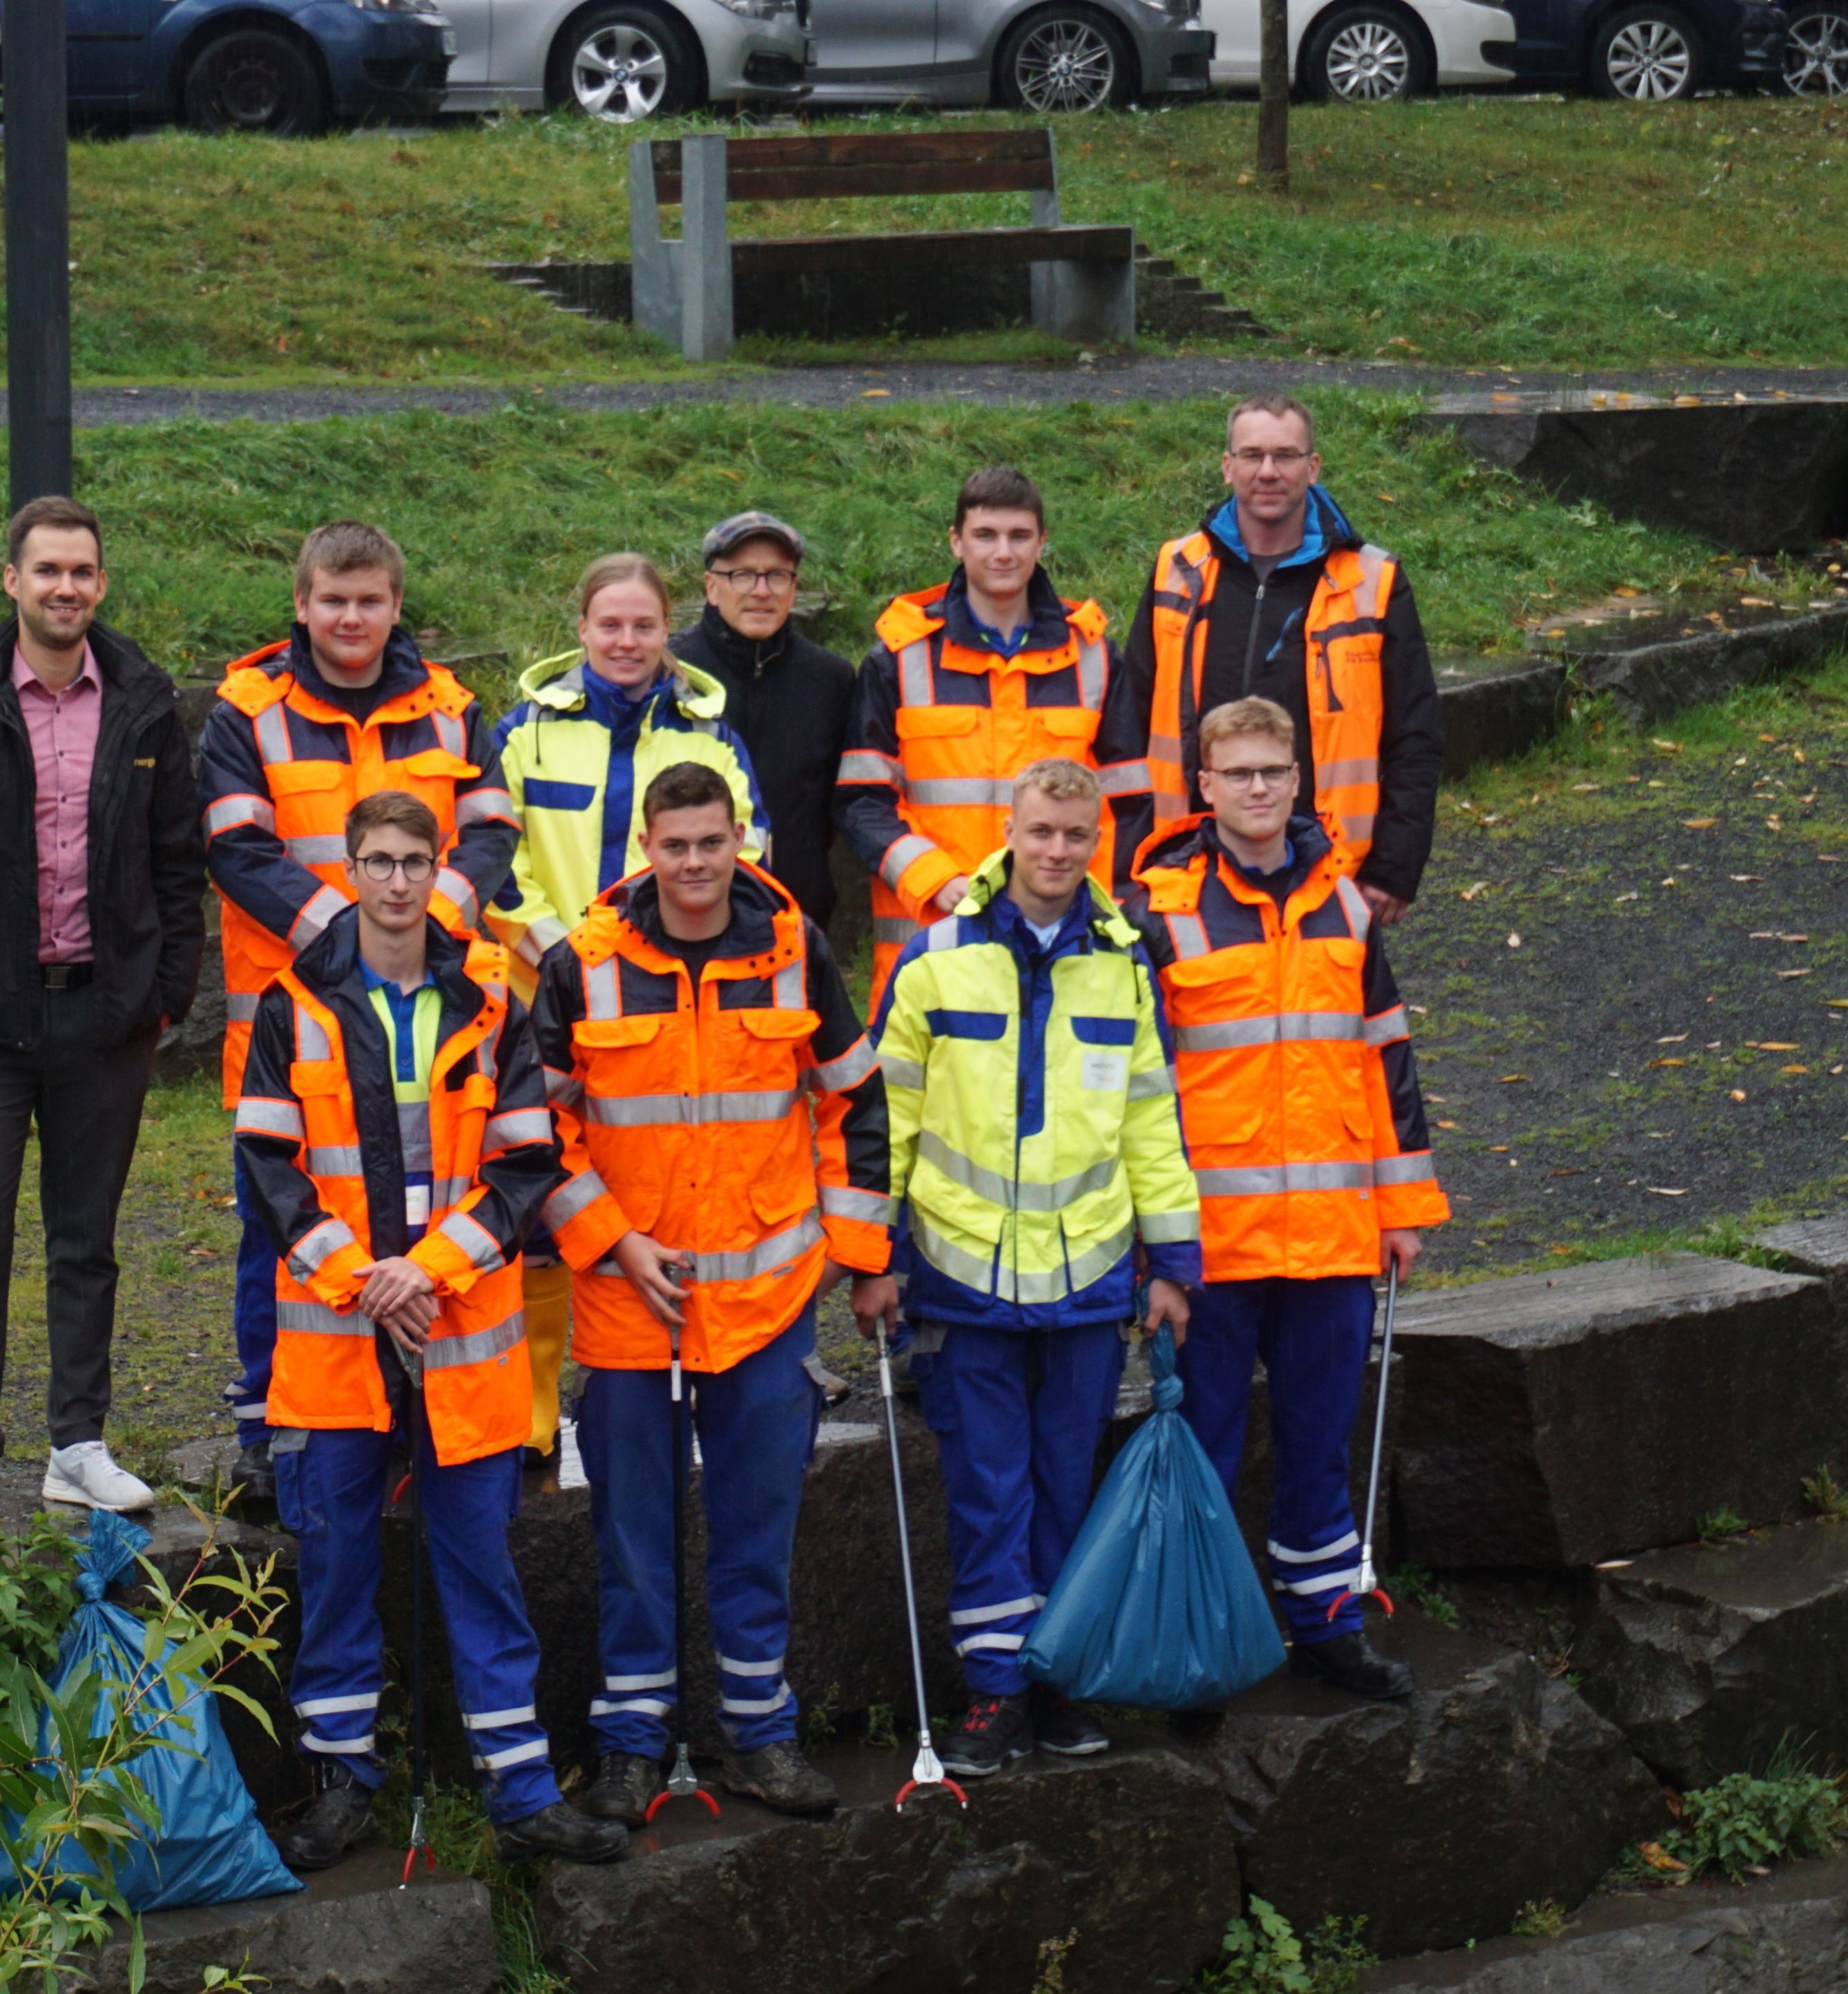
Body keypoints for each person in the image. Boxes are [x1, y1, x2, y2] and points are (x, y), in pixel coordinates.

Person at [235, 790, 623, 1870]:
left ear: (440, 867)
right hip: (342, 1336)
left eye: (416, 860)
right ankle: (341, 1783)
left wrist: (428, 1269)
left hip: (459, 1334)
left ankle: (523, 1789)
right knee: (339, 1565)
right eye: (379, 861)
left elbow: (524, 1164)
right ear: (350, 868)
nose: (398, 880)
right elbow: (268, 1169)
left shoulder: (495, 998)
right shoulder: (290, 1001)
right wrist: (370, 1280)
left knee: (483, 1567)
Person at [530, 762, 888, 1826]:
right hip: (626, 1306)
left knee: (756, 1532)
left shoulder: (794, 952)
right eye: (674, 844)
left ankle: (757, 1737)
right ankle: (632, 1745)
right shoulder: (581, 966)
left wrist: (856, 1255)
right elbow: (535, 1131)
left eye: (711, 842)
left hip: (768, 1308)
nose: (693, 864)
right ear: (645, 846)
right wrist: (611, 1238)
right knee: (631, 1541)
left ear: (744, 840)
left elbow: (850, 1100)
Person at [865, 759, 1200, 1778]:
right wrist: (873, 1253)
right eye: (1041, 832)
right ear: (1009, 831)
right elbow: (886, 1122)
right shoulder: (934, 960)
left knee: (1068, 1489)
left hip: (1090, 1280)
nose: (1057, 851)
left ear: (1096, 840)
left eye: (1075, 836)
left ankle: (1056, 1678)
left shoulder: (1123, 961)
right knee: (987, 1490)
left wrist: (1172, 1259)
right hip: (963, 1282)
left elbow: (1151, 1117)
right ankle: (996, 1691)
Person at [0, 495, 206, 1513]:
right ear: (10, 579)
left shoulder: (145, 700)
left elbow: (177, 859)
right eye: (47, 570)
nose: (66, 587)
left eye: (83, 571)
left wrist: (165, 992)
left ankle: (79, 1441)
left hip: (105, 1016)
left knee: (87, 1234)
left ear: (100, 583)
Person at [1133, 698, 1446, 1698]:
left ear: (1299, 780)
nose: (1260, 788)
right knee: (1207, 1452)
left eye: (1276, 770)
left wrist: (1402, 1211)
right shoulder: (1163, 909)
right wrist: (1152, 1246)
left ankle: (1325, 1624)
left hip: (1333, 1234)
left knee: (1319, 1444)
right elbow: (1138, 1087)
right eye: (1241, 773)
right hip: (1210, 1245)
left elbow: (1385, 1061)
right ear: (1206, 786)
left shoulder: (1345, 904)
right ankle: (1206, 1646)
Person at [202, 521, 519, 1500]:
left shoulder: (456, 708)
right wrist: (352, 939)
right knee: (284, 1222)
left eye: (370, 599)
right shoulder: (246, 709)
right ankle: (273, 1426)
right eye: (333, 599)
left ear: (395, 604)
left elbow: (491, 833)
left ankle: (420, 1411)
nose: (351, 616)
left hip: (434, 1013)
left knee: (430, 1212)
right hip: (293, 1024)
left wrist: (420, 928)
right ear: (300, 602)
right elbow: (236, 850)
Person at [479, 552, 764, 1469]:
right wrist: (559, 950)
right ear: (583, 628)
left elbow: (745, 854)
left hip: (665, 1001)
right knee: (537, 1205)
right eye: (610, 625)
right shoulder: (525, 730)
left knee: (655, 1193)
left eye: (645, 625)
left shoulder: (712, 736)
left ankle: (660, 1394)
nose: (628, 641)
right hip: (540, 995)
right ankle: (531, 1413)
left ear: (667, 630)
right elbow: (495, 853)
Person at [1104, 395, 1443, 925]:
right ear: (1227, 466)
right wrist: (1127, 861)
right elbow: (1129, 722)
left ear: (1312, 468)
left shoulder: (1372, 583)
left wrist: (1393, 869)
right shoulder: (1177, 570)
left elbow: (1416, 736)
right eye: (1252, 455)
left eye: (1285, 456)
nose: (1268, 471)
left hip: (1329, 867)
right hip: (1187, 861)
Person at [838, 466, 1140, 976]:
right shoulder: (899, 658)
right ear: (956, 542)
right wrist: (938, 881)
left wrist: (1085, 898)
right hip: (936, 939)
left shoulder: (1094, 656)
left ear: (1042, 543)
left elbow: (1131, 803)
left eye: (1019, 536)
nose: (1004, 552)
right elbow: (862, 801)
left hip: (1065, 936)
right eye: (986, 535)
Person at [675, 512, 856, 942]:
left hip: (795, 913)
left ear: (794, 588)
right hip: (683, 910)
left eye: (776, 575)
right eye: (742, 575)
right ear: (711, 587)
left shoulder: (831, 679)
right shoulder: (673, 672)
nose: (761, 591)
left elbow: (836, 802)